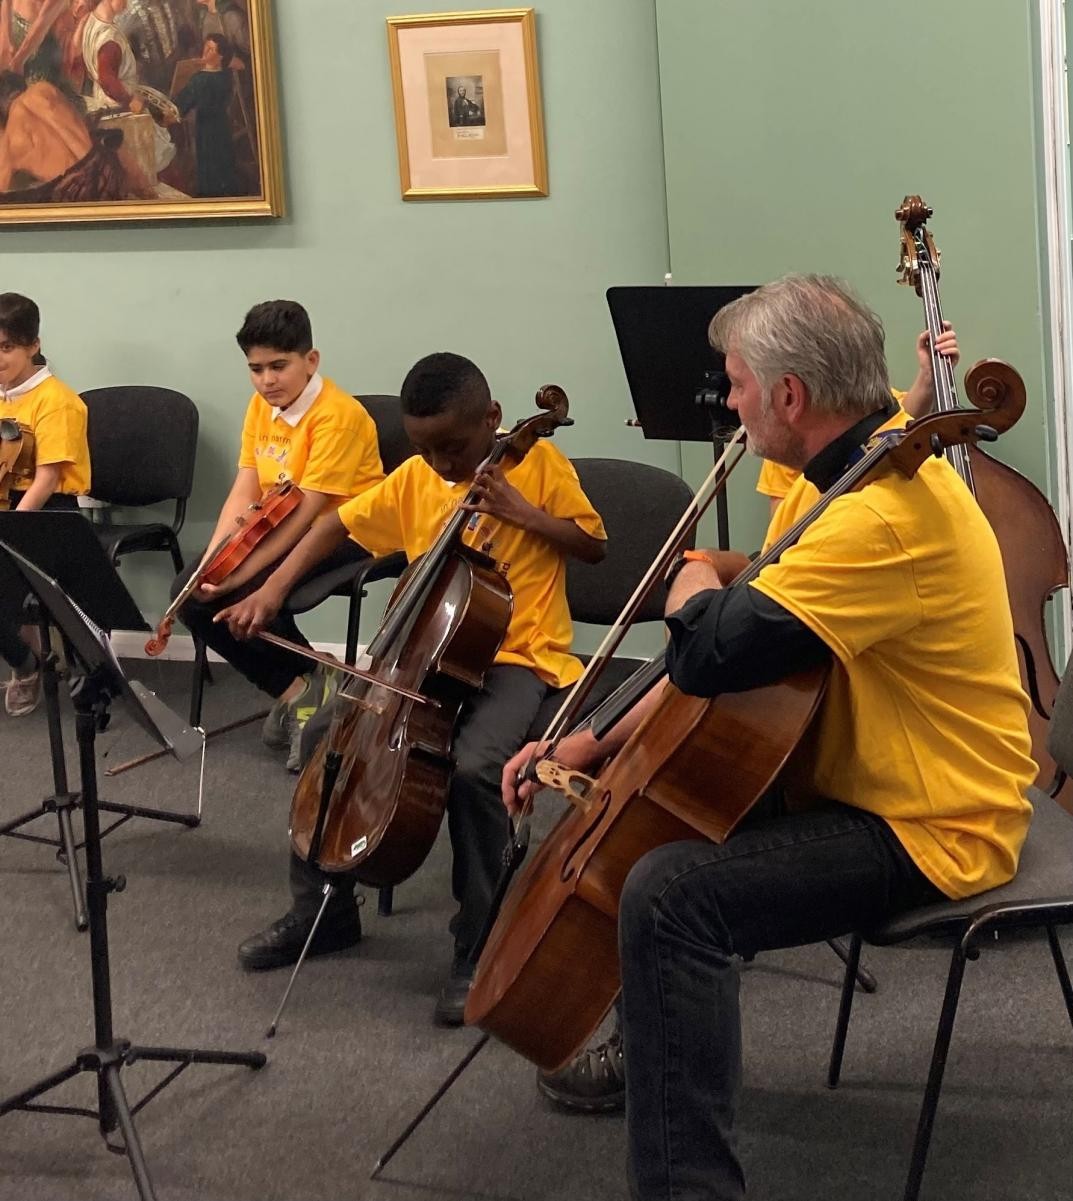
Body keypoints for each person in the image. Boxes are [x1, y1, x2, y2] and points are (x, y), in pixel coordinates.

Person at [502, 275, 1035, 1197]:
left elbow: (708, 649)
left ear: (790, 395)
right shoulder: (845, 475)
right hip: (864, 781)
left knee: (670, 892)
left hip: (933, 822)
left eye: (737, 382)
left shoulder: (880, 513)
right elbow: (762, 585)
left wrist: (688, 582)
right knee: (660, 821)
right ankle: (652, 1054)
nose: (730, 400)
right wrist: (595, 735)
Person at [220, 351, 607, 1025]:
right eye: (425, 449)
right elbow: (335, 523)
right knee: (323, 734)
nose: (441, 464)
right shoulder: (417, 478)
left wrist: (522, 512)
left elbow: (592, 545)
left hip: (520, 656)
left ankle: (479, 942)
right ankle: (324, 909)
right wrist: (273, 587)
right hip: (424, 656)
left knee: (477, 769)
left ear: (492, 419)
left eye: (453, 448)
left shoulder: (541, 466)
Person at [170, 299, 383, 768]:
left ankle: (310, 696)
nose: (267, 381)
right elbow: (246, 484)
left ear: (311, 361)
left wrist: (240, 574)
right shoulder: (259, 406)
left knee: (239, 589)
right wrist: (216, 557)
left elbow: (310, 511)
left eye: (279, 366)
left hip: (348, 534)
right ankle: (303, 688)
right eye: (256, 369)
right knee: (190, 591)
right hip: (279, 524)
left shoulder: (338, 416)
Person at [756, 321, 959, 516]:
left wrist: (928, 375)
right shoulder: (787, 431)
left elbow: (897, 426)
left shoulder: (873, 402)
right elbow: (781, 528)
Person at [0, 291, 89, 716]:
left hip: (48, 511)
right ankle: (27, 663)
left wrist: (10, 529)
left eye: (7, 348)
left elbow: (48, 478)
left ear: (33, 344)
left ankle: (84, 670)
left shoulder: (58, 401)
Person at [175, 32, 239, 198]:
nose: (205, 51)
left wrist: (172, 110)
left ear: (220, 56)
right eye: (206, 46)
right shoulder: (226, 76)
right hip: (223, 126)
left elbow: (182, 103)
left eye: (211, 49)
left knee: (209, 165)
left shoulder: (200, 79)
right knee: (224, 163)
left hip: (206, 128)